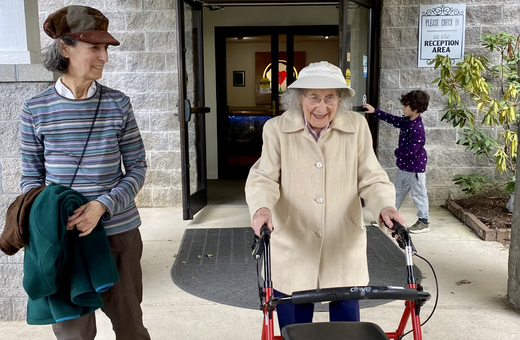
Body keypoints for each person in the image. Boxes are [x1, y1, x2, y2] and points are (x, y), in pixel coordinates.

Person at [245, 61, 406, 331]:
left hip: (343, 240)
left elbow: (371, 177)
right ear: (299, 99)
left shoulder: (356, 127)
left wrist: (384, 206)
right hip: (293, 240)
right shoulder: (276, 129)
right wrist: (261, 208)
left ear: (340, 99)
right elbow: (264, 177)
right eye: (314, 97)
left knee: (346, 330)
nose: (322, 107)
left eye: (330, 97)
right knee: (293, 329)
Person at [20, 5, 150, 339]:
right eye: (95, 47)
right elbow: (31, 179)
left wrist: (101, 206)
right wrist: (50, 217)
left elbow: (137, 167)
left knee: (130, 327)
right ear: (65, 48)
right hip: (64, 240)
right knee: (72, 333)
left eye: (105, 48)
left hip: (117, 235)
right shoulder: (35, 109)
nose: (104, 56)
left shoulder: (118, 104)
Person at [363, 90, 431, 233]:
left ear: (415, 108)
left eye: (405, 106)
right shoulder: (407, 121)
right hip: (405, 167)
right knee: (397, 192)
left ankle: (424, 221)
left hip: (415, 168)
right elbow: (393, 119)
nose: (402, 108)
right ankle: (388, 217)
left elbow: (411, 151)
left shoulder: (417, 128)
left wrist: (397, 152)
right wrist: (374, 111)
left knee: (419, 193)